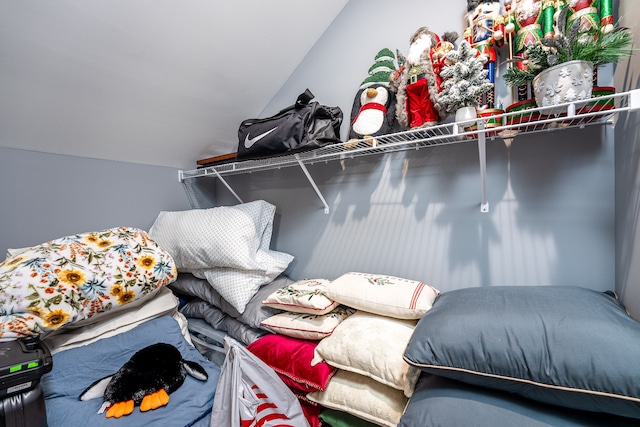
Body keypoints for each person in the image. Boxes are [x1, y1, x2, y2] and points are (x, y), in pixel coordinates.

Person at [464, 0, 505, 109]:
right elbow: (466, 48)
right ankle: (479, 105)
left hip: (489, 53)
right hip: (476, 56)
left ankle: (490, 104)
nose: (480, 11)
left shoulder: (493, 23)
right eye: (476, 9)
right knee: (477, 82)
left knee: (490, 80)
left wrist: (497, 37)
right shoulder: (471, 30)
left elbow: (500, 43)